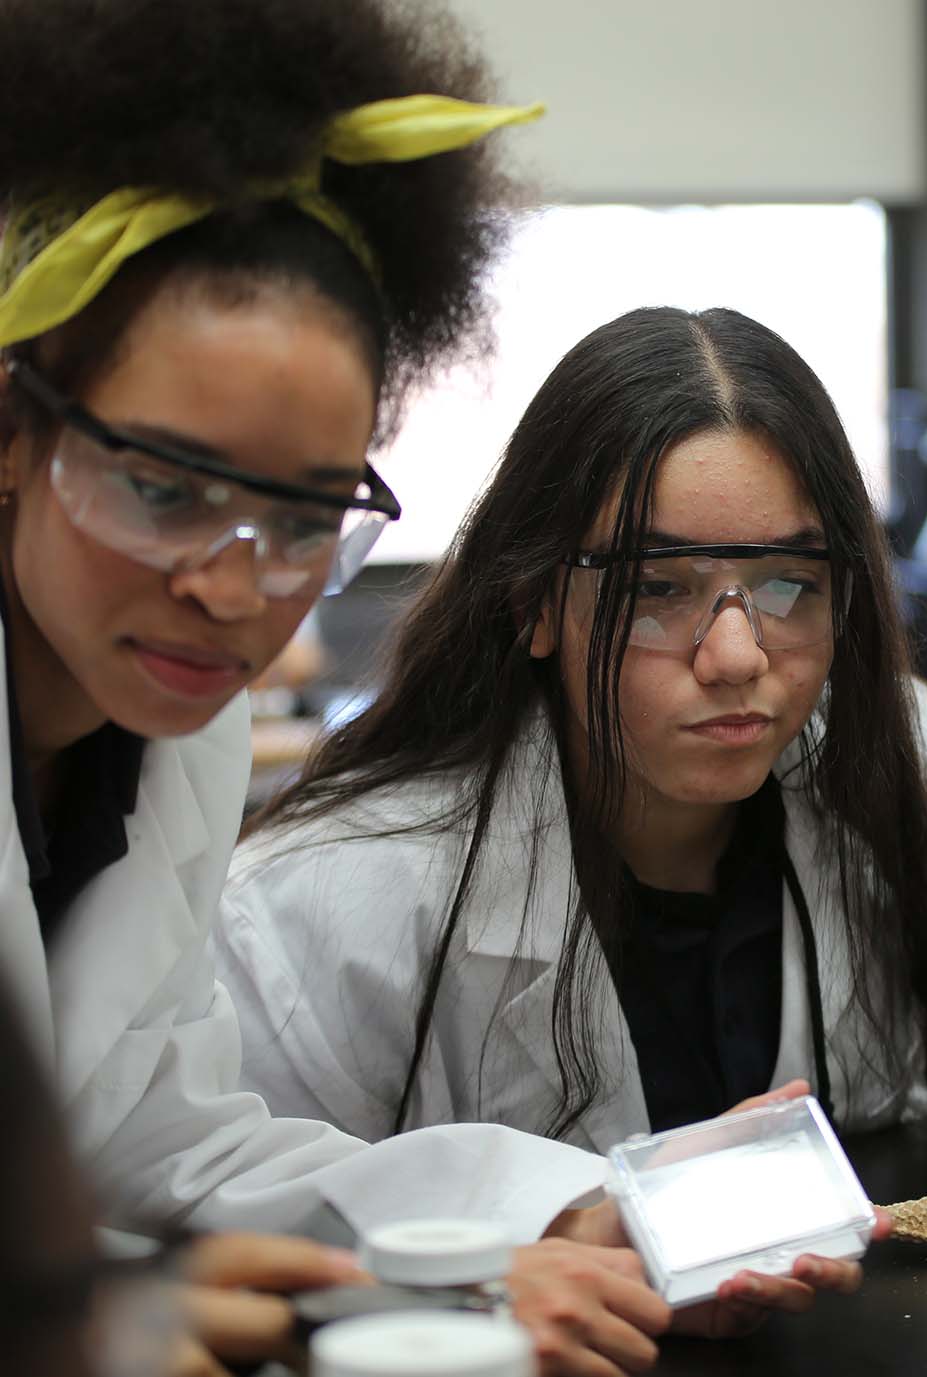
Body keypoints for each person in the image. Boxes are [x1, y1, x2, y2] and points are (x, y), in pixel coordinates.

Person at [0, 2, 676, 1373]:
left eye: (306, 514)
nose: (236, 584)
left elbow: (161, 1139)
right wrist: (74, 1320)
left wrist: (534, 1219)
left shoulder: (173, 722)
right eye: (163, 489)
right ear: (12, 434)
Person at [218, 306, 927, 1305]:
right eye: (658, 586)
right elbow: (230, 1239)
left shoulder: (887, 760)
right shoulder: (332, 894)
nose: (738, 656)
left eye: (788, 584)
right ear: (530, 602)